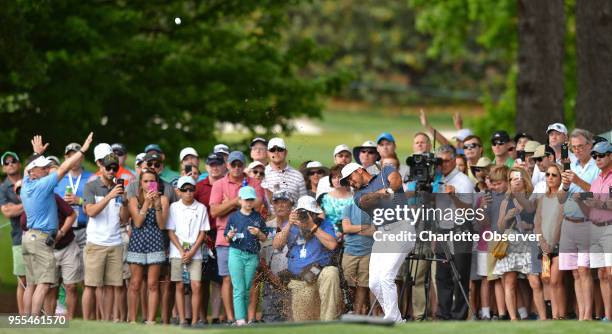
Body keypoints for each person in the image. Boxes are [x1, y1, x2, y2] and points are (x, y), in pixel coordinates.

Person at [20, 133, 93, 316]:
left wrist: (36, 154)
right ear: (34, 172)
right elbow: (65, 167)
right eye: (43, 168)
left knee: (31, 284)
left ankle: (27, 320)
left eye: (47, 167)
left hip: (29, 238)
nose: (47, 170)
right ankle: (35, 322)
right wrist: (83, 150)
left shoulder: (27, 183)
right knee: (44, 284)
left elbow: (27, 169)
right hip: (42, 239)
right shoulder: (42, 185)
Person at [340, 161, 412, 322]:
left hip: (402, 229)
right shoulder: (357, 195)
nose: (350, 183)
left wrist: (386, 190)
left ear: (360, 170)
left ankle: (393, 320)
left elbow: (396, 180)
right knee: (374, 283)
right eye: (347, 183)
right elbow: (367, 201)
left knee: (386, 277)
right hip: (383, 234)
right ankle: (395, 318)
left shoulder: (385, 170)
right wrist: (382, 193)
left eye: (350, 178)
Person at [210, 151, 265, 324]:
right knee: (227, 279)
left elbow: (256, 204)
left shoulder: (253, 181)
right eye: (233, 164)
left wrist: (229, 203)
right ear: (227, 165)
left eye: (239, 165)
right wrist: (235, 202)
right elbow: (214, 211)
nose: (236, 168)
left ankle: (249, 318)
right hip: (225, 237)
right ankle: (232, 318)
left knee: (249, 282)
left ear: (243, 165)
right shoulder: (219, 184)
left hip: (250, 238)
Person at [272, 195, 341, 321]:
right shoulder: (290, 225)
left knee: (332, 272)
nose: (305, 215)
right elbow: (276, 245)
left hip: (319, 272)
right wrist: (288, 225)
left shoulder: (323, 225)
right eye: (302, 212)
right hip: (299, 278)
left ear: (315, 214)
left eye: (309, 212)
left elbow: (332, 245)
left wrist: (312, 226)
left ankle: (329, 324)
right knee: (303, 322)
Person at [493, 167, 546, 320]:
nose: (514, 181)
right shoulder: (506, 200)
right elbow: (500, 227)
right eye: (511, 179)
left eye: (517, 177)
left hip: (529, 240)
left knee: (535, 281)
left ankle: (543, 318)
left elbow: (538, 217)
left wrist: (530, 226)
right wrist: (508, 217)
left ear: (524, 178)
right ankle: (514, 320)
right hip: (511, 240)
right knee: (509, 282)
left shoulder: (533, 196)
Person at [82, 151, 130, 321]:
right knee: (91, 286)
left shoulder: (120, 188)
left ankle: (106, 322)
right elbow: (91, 212)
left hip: (115, 243)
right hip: (96, 243)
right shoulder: (91, 186)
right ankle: (87, 323)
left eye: (114, 167)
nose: (111, 170)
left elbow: (124, 219)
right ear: (100, 166)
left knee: (111, 286)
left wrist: (124, 201)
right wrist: (109, 196)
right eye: (108, 167)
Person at [558, 128, 598, 321]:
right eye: (574, 148)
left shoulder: (597, 165)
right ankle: (581, 315)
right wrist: (565, 185)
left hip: (587, 223)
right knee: (575, 272)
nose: (577, 151)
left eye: (580, 146)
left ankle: (588, 316)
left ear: (589, 145)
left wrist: (578, 181)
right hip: (568, 222)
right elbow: (559, 198)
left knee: (584, 270)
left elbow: (599, 193)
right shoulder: (570, 164)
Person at [433, 145, 474, 321]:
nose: (443, 164)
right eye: (440, 161)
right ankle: (444, 314)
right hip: (442, 230)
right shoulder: (437, 180)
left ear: (454, 160)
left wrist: (454, 197)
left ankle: (459, 315)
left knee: (460, 276)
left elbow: (468, 210)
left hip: (460, 229)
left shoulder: (462, 180)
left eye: (447, 160)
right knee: (442, 275)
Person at [574, 140, 612, 321]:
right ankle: (608, 316)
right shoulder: (596, 181)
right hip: (595, 229)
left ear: (611, 155)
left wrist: (595, 202)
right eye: (595, 155)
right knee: (602, 274)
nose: (597, 159)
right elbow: (591, 210)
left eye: (602, 155)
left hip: (610, 228)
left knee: (611, 272)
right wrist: (581, 202)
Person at [125, 169, 169, 324]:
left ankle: (151, 320)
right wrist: (147, 203)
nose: (149, 184)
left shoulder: (163, 199)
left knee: (152, 284)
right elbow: (137, 222)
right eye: (145, 181)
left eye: (152, 181)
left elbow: (162, 225)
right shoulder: (133, 199)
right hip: (137, 242)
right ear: (140, 183)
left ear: (156, 183)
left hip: (155, 242)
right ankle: (132, 320)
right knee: (135, 283)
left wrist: (157, 206)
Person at [167, 176, 210, 327]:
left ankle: (194, 319)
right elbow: (171, 231)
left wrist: (191, 251)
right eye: (184, 190)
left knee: (196, 285)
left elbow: (202, 233)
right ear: (178, 191)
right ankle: (182, 319)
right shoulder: (173, 207)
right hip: (176, 252)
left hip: (195, 253)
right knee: (179, 285)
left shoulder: (201, 208)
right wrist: (181, 250)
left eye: (191, 189)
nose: (188, 192)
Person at [224, 186, 267, 326]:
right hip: (236, 253)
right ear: (240, 200)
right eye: (246, 200)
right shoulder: (233, 217)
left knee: (248, 287)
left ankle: (244, 318)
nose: (249, 203)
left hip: (252, 255)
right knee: (239, 288)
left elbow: (264, 237)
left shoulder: (258, 217)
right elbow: (226, 238)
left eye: (251, 200)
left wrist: (258, 233)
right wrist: (229, 236)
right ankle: (240, 319)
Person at [194, 152, 226, 324]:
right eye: (211, 164)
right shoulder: (199, 187)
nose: (214, 167)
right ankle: (201, 317)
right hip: (203, 236)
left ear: (224, 166)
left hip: (221, 234)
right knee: (203, 279)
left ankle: (217, 316)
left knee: (220, 279)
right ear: (206, 167)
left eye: (218, 164)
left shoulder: (226, 185)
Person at [534, 163, 566, 319]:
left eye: (554, 175)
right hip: (544, 246)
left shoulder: (563, 197)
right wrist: (542, 244)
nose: (550, 178)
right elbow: (537, 223)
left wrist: (551, 244)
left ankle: (560, 315)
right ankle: (555, 316)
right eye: (547, 174)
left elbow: (560, 222)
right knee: (547, 280)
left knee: (555, 281)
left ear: (560, 178)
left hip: (560, 244)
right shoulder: (542, 198)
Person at [260, 190, 293, 322]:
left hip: (294, 282)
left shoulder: (298, 227)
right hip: (271, 281)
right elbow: (261, 259)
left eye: (284, 202)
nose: (280, 205)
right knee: (271, 323)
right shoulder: (266, 227)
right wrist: (271, 277)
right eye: (276, 202)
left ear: (291, 205)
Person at [0, 151, 26, 314]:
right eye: (6, 163)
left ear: (19, 164)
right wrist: (30, 202)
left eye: (13, 161)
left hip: (39, 235)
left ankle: (36, 315)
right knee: (22, 280)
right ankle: (24, 317)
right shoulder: (2, 188)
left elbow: (11, 209)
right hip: (18, 237)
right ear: (3, 168)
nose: (10, 164)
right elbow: (7, 212)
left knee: (41, 281)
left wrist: (15, 207)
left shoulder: (30, 180)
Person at [55, 142, 94, 249]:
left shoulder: (92, 178)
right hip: (64, 231)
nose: (73, 159)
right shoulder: (58, 179)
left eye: (76, 156)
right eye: (69, 156)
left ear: (82, 158)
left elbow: (99, 204)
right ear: (65, 158)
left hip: (85, 230)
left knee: (85, 265)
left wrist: (80, 201)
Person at [341, 202, 375, 315]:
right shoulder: (349, 206)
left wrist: (354, 229)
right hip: (350, 252)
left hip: (368, 252)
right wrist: (364, 227)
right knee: (347, 284)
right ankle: (348, 311)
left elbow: (375, 230)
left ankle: (357, 313)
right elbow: (346, 228)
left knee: (363, 285)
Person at [261, 137, 307, 207]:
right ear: (267, 153)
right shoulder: (260, 174)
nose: (276, 153)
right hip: (267, 217)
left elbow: (304, 203)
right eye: (272, 150)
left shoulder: (297, 175)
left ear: (285, 152)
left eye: (280, 149)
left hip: (292, 217)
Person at [320, 164, 353, 235]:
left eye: (340, 177)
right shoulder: (323, 198)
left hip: (350, 235)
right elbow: (320, 220)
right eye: (334, 177)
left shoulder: (355, 198)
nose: (337, 180)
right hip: (329, 234)